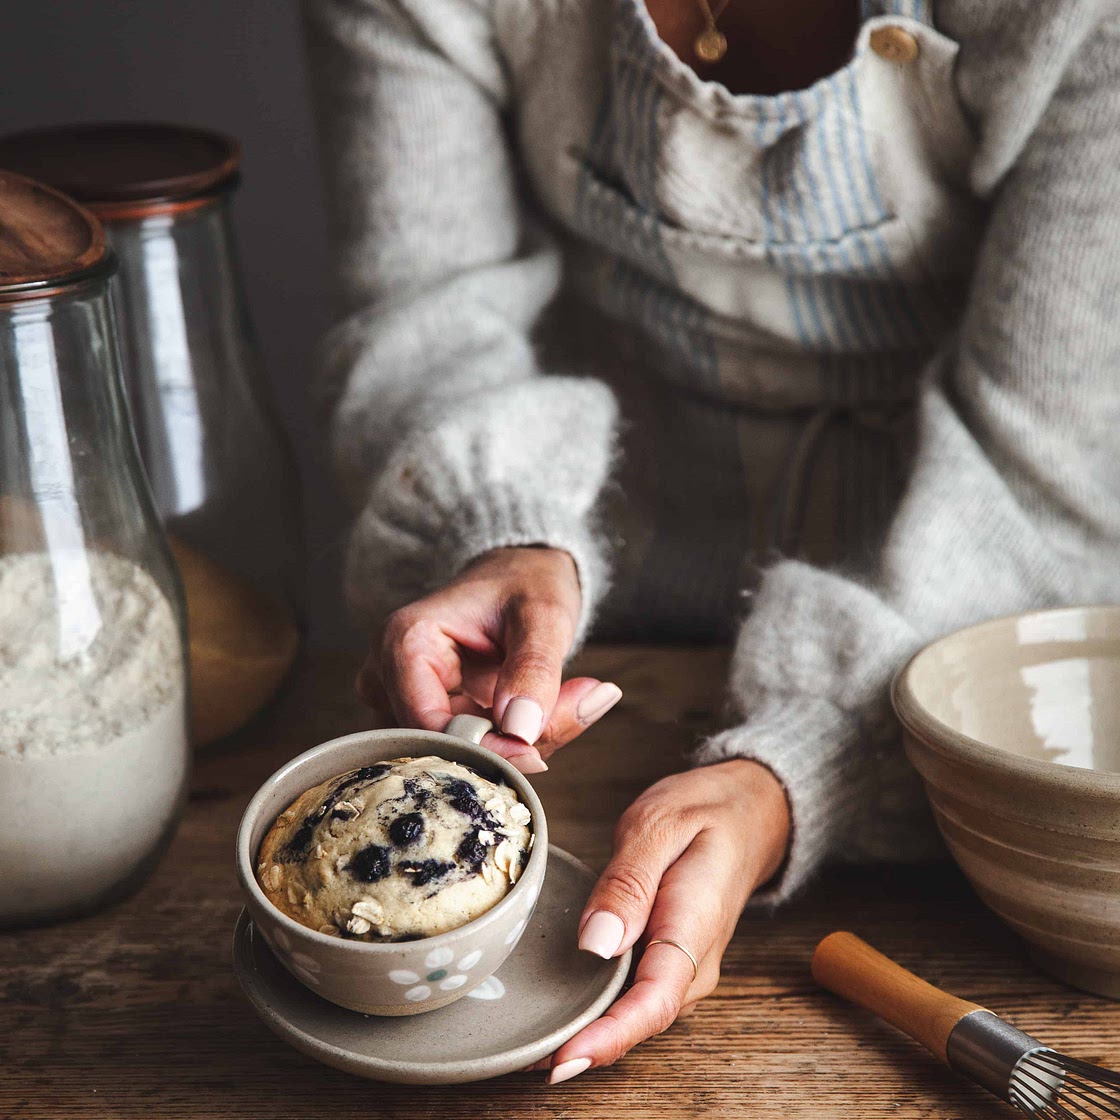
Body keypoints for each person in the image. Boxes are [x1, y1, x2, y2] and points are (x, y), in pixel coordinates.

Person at [301, 0, 1120, 1084]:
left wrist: (811, 752)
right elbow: (426, 310)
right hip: (592, 640)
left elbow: (1040, 469)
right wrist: (497, 530)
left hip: (975, 657)